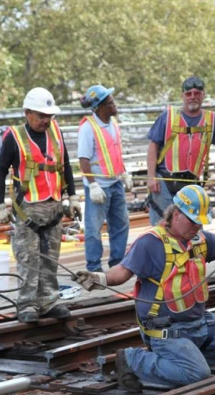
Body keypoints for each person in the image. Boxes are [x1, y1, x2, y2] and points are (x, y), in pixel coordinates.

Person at [75, 185, 215, 392]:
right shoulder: (150, 242)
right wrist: (98, 278)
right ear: (176, 214)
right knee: (198, 375)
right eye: (193, 221)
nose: (197, 227)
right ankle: (133, 360)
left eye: (200, 222)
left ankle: (184, 361)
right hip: (167, 330)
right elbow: (122, 273)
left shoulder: (201, 240)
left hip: (199, 324)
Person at [0, 87, 80, 323]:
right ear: (27, 113)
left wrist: (72, 196)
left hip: (53, 208)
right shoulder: (14, 137)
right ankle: (27, 304)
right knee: (28, 260)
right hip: (27, 210)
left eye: (49, 116)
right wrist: (0, 205)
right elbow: (0, 171)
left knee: (50, 259)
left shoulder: (56, 133)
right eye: (41, 116)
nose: (45, 121)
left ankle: (49, 300)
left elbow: (66, 166)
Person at [146, 76, 215, 225]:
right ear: (182, 96)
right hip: (164, 182)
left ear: (203, 95)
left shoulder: (212, 119)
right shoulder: (169, 116)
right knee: (164, 227)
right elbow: (153, 146)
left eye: (197, 93)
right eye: (188, 94)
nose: (193, 97)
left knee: (192, 228)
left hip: (191, 184)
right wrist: (151, 177)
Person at [78, 85, 132, 273]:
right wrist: (92, 185)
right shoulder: (88, 128)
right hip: (99, 187)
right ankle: (94, 268)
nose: (114, 105)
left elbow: (115, 152)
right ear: (100, 107)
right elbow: (83, 159)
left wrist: (123, 172)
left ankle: (117, 264)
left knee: (121, 225)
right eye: (110, 103)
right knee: (93, 230)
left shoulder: (113, 123)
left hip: (115, 183)